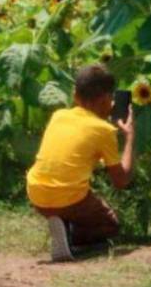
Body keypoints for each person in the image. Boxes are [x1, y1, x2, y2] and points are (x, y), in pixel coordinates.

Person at [26, 63, 136, 261]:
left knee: (80, 195)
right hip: (68, 198)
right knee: (110, 225)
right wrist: (129, 138)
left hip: (36, 194)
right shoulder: (103, 130)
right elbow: (121, 181)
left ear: (75, 94)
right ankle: (70, 236)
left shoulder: (58, 116)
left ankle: (62, 225)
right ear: (106, 100)